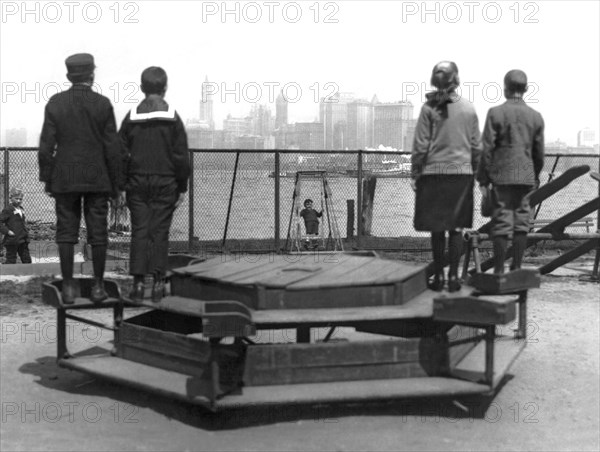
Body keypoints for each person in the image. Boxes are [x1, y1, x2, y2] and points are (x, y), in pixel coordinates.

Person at [39, 53, 122, 304]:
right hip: (97, 179)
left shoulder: (55, 103)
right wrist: (117, 185)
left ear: (68, 76)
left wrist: (48, 178)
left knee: (66, 233)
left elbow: (45, 148)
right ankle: (98, 287)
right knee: (98, 233)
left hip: (65, 179)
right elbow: (113, 149)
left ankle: (68, 288)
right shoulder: (103, 104)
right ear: (92, 75)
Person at [119, 66, 190, 302]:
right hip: (165, 182)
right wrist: (182, 187)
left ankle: (138, 285)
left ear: (141, 88)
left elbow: (119, 153)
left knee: (139, 232)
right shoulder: (173, 118)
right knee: (160, 233)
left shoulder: (131, 117)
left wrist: (121, 183)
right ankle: (159, 284)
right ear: (165, 88)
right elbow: (181, 156)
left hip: (137, 182)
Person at [411, 61, 482, 292]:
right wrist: (478, 175)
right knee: (457, 229)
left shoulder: (428, 108)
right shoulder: (469, 109)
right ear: (456, 80)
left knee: (437, 229)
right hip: (461, 175)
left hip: (432, 174)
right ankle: (453, 277)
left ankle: (438, 277)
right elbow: (476, 146)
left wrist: (415, 173)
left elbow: (421, 145)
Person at [477, 69, 545, 274]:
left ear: (505, 88)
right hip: (525, 176)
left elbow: (487, 149)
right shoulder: (535, 117)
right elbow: (538, 154)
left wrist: (483, 178)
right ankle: (516, 268)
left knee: (501, 223)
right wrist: (534, 175)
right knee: (521, 224)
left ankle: (498, 271)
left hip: (502, 177)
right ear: (525, 89)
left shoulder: (496, 113)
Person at [0, 187, 32, 264]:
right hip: (12, 239)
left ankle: (27, 274)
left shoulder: (21, 209)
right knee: (11, 259)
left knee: (26, 259)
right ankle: (8, 274)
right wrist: (7, 231)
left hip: (23, 239)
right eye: (16, 198)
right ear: (11, 198)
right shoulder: (8, 210)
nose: (18, 201)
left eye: (20, 199)